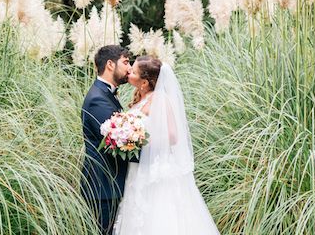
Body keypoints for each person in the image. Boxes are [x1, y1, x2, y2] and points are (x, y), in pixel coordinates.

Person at [113, 56, 220, 235]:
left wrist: (137, 139)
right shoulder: (143, 98)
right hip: (138, 168)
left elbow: (172, 135)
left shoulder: (160, 99)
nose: (129, 71)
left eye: (133, 71)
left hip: (155, 169)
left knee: (159, 214)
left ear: (145, 82)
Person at [80, 45, 137, 235]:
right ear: (111, 65)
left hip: (109, 186)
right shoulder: (98, 99)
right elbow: (118, 144)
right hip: (103, 187)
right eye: (126, 62)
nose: (130, 68)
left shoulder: (105, 94)